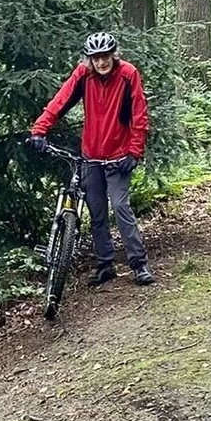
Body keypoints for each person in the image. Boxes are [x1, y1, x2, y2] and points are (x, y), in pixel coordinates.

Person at [29, 30, 154, 286]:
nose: (101, 62)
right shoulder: (83, 75)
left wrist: (134, 152)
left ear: (113, 55)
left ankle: (139, 264)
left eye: (105, 56)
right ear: (89, 59)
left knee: (120, 207)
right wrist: (39, 130)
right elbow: (59, 101)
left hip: (119, 156)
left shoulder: (128, 74)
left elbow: (139, 115)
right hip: (91, 156)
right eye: (96, 57)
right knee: (96, 212)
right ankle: (105, 265)